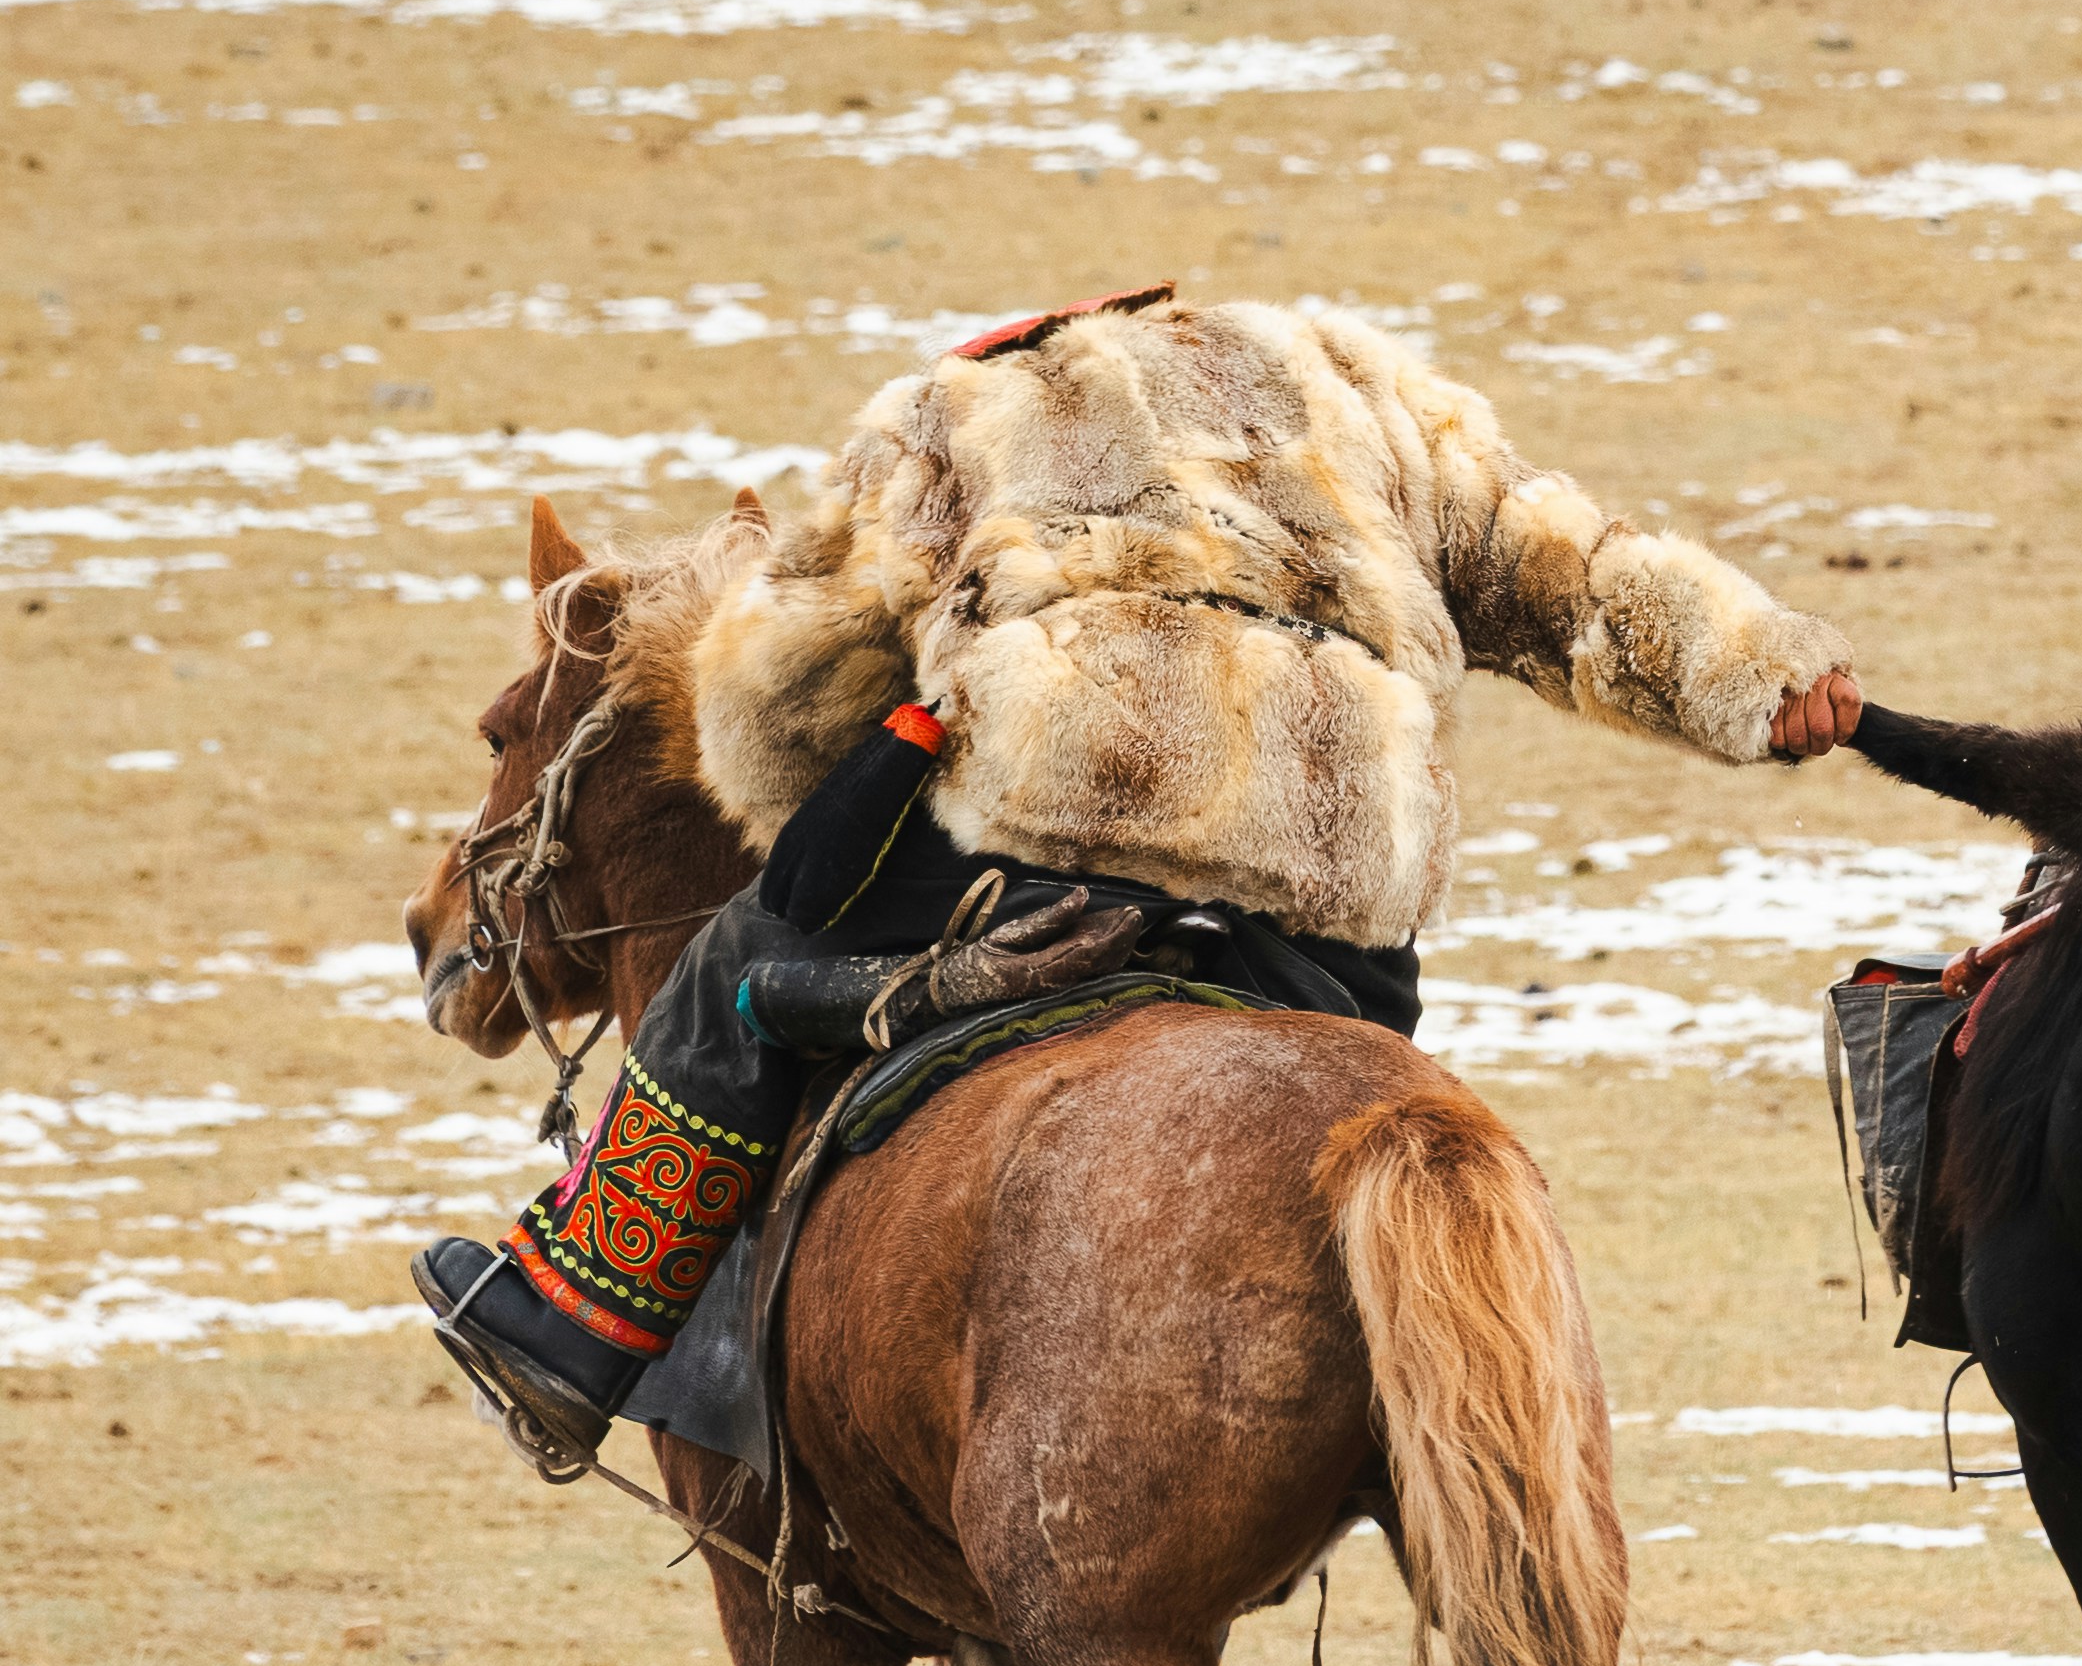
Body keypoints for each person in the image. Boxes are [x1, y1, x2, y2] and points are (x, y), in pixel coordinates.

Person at [418, 287, 1862, 1476]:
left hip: (1064, 858)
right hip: (1340, 912)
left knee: (737, 970)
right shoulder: (1360, 392)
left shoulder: (956, 411)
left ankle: (568, 1329)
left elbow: (774, 700)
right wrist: (1763, 676)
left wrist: (876, 737)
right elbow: (1578, 575)